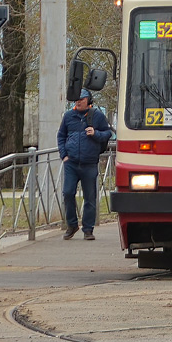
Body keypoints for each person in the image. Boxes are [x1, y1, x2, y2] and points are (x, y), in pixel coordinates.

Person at [57, 88, 114, 240]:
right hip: (72, 163)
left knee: (90, 197)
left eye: (82, 99)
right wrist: (64, 155)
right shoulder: (69, 116)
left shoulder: (97, 116)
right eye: (77, 99)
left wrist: (96, 133)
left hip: (89, 163)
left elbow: (108, 133)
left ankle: (88, 229)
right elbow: (61, 136)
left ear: (88, 100)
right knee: (68, 193)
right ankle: (72, 224)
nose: (79, 102)